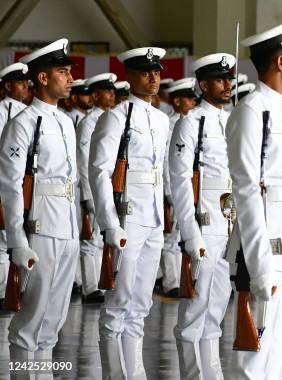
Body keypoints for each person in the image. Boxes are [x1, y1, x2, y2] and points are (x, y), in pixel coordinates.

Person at [225, 16, 282, 379]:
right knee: (254, 360)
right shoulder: (251, 112)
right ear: (280, 62)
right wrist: (259, 265)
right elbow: (246, 190)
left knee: (276, 360)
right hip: (265, 256)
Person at [89, 46, 169, 378]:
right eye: (146, 72)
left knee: (140, 304)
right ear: (130, 76)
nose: (154, 77)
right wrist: (109, 223)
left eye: (157, 72)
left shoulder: (161, 119)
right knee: (118, 304)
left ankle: (134, 372)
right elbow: (99, 172)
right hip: (127, 217)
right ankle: (114, 374)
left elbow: (160, 171)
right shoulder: (116, 117)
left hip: (152, 219)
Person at [0, 38, 78, 374]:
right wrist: (16, 240)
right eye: (63, 71)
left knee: (54, 319)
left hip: (68, 225)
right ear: (43, 78)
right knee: (31, 318)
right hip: (40, 226)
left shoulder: (65, 122)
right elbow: (10, 186)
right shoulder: (23, 124)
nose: (71, 78)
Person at [170, 52, 235, 380]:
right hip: (205, 221)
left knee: (218, 308)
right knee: (195, 310)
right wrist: (190, 233)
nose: (228, 84)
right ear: (203, 84)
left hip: (230, 222)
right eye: (220, 79)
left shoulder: (232, 119)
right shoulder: (190, 122)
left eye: (229, 78)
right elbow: (180, 180)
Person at [76, 72, 117, 304]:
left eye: (112, 91)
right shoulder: (88, 123)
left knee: (105, 239)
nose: (112, 94)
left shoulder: (113, 118)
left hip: (110, 188)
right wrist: (89, 196)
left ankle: (102, 283)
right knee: (91, 241)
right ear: (94, 94)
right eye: (106, 90)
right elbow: (84, 162)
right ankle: (90, 288)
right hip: (92, 190)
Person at [159, 77, 198, 297]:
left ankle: (189, 278)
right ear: (176, 101)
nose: (193, 102)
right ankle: (171, 282)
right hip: (174, 188)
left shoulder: (194, 123)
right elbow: (166, 161)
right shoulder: (168, 123)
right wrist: (168, 191)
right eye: (188, 98)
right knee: (172, 237)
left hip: (191, 186)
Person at [0, 62, 29, 305]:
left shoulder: (28, 111)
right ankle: (2, 292)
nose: (24, 87)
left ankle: (18, 289)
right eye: (19, 82)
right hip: (5, 182)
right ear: (8, 85)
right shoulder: (2, 112)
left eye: (25, 83)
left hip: (23, 183)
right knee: (3, 240)